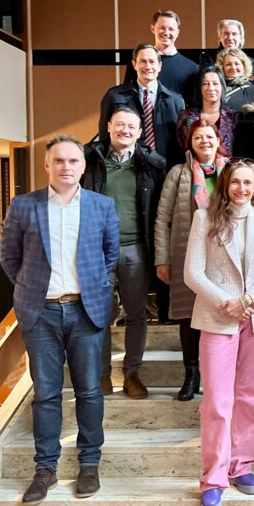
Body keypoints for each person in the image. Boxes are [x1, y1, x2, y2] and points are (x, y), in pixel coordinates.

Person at [0, 135, 119, 503]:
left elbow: (109, 255)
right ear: (47, 165)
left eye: (73, 161)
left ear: (83, 166)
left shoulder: (102, 205)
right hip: (41, 312)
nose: (66, 167)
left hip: (86, 311)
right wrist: (32, 289)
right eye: (59, 161)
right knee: (46, 393)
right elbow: (9, 258)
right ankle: (45, 468)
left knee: (88, 390)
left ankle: (89, 464)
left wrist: (97, 288)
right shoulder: (23, 206)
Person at [184, 161, 254, 506]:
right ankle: (214, 476)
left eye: (248, 183)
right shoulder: (204, 218)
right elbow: (193, 272)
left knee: (250, 395)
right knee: (217, 401)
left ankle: (242, 465)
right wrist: (224, 302)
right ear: (225, 185)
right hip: (216, 315)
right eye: (236, 182)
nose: (242, 188)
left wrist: (248, 299)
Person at [81, 107, 167, 400]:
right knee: (99, 315)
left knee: (136, 314)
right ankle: (102, 374)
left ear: (140, 132)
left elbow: (158, 210)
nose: (125, 130)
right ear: (108, 126)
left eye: (131, 126)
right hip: (98, 250)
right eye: (120, 125)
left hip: (136, 249)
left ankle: (132, 373)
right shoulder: (89, 160)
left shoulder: (151, 164)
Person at [155, 120, 229, 401]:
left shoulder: (231, 170)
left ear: (217, 139)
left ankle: (217, 376)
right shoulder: (178, 173)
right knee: (188, 317)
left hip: (224, 257)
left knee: (221, 313)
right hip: (188, 254)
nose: (204, 141)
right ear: (190, 142)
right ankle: (192, 374)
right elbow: (162, 218)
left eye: (209, 136)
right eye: (198, 137)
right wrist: (162, 259)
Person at [100, 43, 185, 166]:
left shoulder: (176, 101)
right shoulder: (114, 96)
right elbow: (104, 138)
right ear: (134, 65)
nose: (148, 66)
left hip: (165, 170)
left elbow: (181, 144)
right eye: (142, 61)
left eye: (152, 61)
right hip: (126, 169)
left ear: (160, 66)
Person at [123, 10, 198, 103]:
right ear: (153, 29)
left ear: (177, 33)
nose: (166, 33)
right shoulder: (139, 62)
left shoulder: (192, 68)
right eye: (162, 28)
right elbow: (127, 96)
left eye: (171, 29)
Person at [176, 65, 238, 156]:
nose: (211, 88)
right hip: (193, 168)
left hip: (227, 168)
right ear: (199, 88)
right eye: (205, 84)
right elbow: (181, 149)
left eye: (215, 83)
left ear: (222, 87)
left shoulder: (234, 117)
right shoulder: (186, 116)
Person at [217, 47, 254, 113]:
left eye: (237, 64)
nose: (233, 67)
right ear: (222, 67)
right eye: (228, 64)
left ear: (244, 66)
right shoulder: (216, 88)